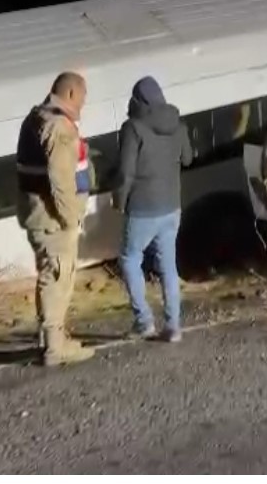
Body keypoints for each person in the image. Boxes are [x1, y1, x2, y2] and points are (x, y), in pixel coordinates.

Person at [16, 71, 96, 366]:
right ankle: (55, 346)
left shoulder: (35, 117)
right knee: (58, 277)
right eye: (83, 98)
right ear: (72, 94)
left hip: (36, 213)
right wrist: (71, 217)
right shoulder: (59, 126)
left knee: (49, 275)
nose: (83, 105)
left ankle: (49, 338)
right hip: (53, 218)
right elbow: (60, 179)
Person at [114, 76, 193, 342]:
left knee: (129, 259)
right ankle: (173, 326)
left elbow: (125, 172)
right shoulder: (178, 125)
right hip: (172, 206)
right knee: (168, 266)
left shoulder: (132, 128)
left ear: (137, 101)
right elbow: (189, 158)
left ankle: (144, 321)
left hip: (141, 207)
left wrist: (119, 201)